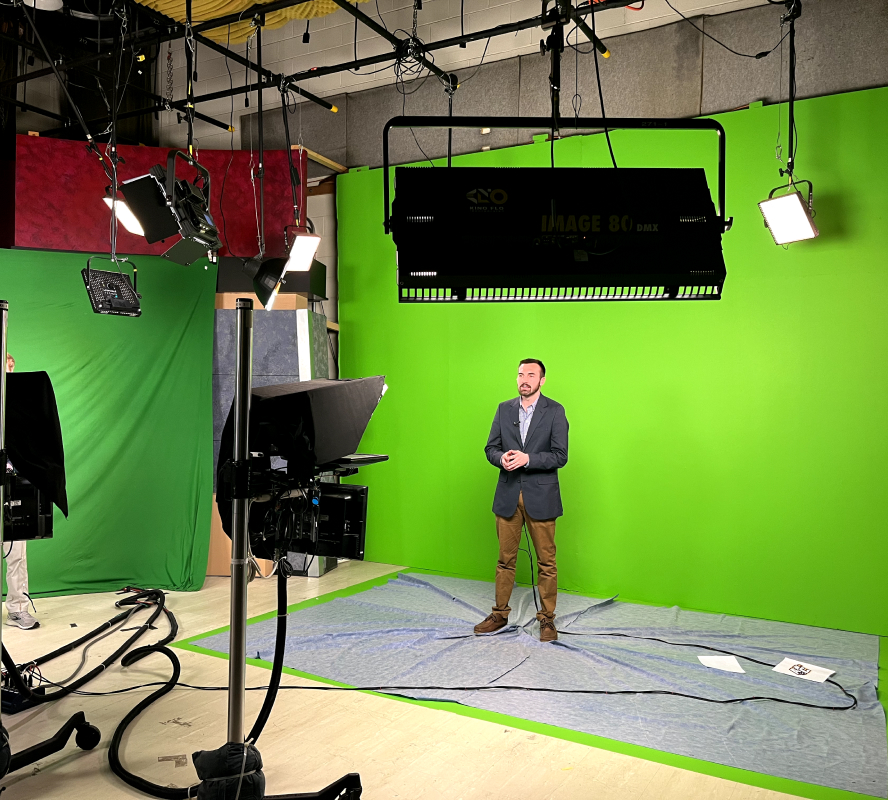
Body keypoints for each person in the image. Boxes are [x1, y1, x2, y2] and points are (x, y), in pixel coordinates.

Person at [476, 358, 568, 642]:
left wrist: (528, 459)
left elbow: (560, 456)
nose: (524, 379)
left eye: (530, 374)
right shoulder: (504, 409)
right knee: (505, 560)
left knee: (546, 563)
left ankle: (547, 619)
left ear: (542, 380)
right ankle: (499, 614)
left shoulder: (555, 411)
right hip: (508, 496)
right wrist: (500, 458)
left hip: (541, 497)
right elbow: (490, 448)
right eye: (520, 374)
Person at [4, 352, 38, 630]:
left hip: (13, 489)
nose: (10, 372)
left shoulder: (19, 407)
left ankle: (17, 609)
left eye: (12, 368)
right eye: (6, 367)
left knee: (16, 553)